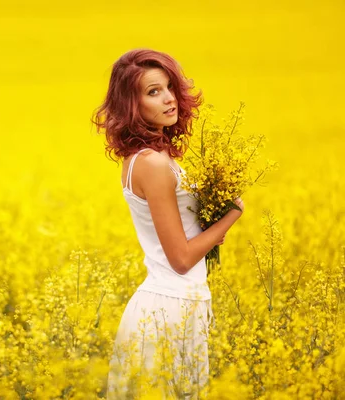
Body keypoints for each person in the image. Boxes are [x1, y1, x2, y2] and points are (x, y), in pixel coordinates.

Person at [91, 49, 244, 399]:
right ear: (132, 106)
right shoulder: (153, 165)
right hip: (167, 310)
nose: (169, 98)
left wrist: (209, 218)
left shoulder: (155, 158)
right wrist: (231, 214)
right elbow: (180, 258)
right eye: (153, 92)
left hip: (178, 303)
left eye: (169, 87)